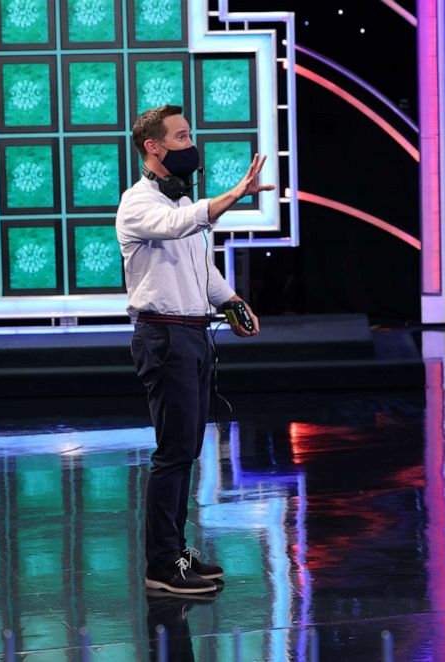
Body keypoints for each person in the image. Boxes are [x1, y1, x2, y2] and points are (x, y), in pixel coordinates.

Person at [117, 105, 274, 595]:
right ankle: (161, 565)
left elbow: (201, 270)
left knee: (186, 451)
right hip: (163, 337)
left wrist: (231, 303)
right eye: (181, 137)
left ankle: (176, 551)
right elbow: (179, 224)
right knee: (173, 452)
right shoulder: (138, 203)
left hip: (194, 335)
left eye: (189, 135)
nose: (190, 144)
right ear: (153, 147)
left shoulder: (179, 201)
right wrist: (233, 196)